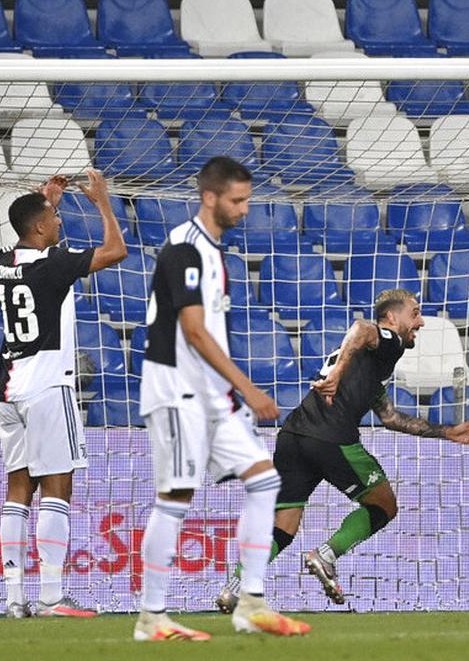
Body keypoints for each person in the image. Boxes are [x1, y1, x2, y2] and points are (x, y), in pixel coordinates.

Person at [215, 289, 469, 611]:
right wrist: (338, 373)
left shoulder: (371, 365)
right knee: (384, 505)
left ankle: (234, 586)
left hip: (293, 436)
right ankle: (326, 555)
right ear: (391, 318)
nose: (421, 322)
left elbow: (390, 417)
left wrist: (447, 432)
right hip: (330, 437)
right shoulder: (389, 342)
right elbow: (360, 328)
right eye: (414, 313)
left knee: (283, 524)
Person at [135, 157, 309, 641]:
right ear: (209, 197)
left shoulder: (214, 251)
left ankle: (251, 603)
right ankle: (152, 617)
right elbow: (192, 331)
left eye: (247, 199)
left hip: (213, 395)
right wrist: (249, 389)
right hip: (176, 390)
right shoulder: (184, 249)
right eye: (238, 200)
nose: (245, 209)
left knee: (265, 479)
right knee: (175, 498)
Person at [0, 171, 127, 618]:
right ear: (38, 229)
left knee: (18, 487)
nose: (58, 222)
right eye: (53, 216)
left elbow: (32, 240)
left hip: (7, 386)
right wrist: (103, 203)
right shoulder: (54, 265)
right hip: (48, 384)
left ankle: (13, 599)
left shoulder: (1, 262)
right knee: (58, 485)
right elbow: (116, 250)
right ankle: (51, 597)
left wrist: (45, 198)